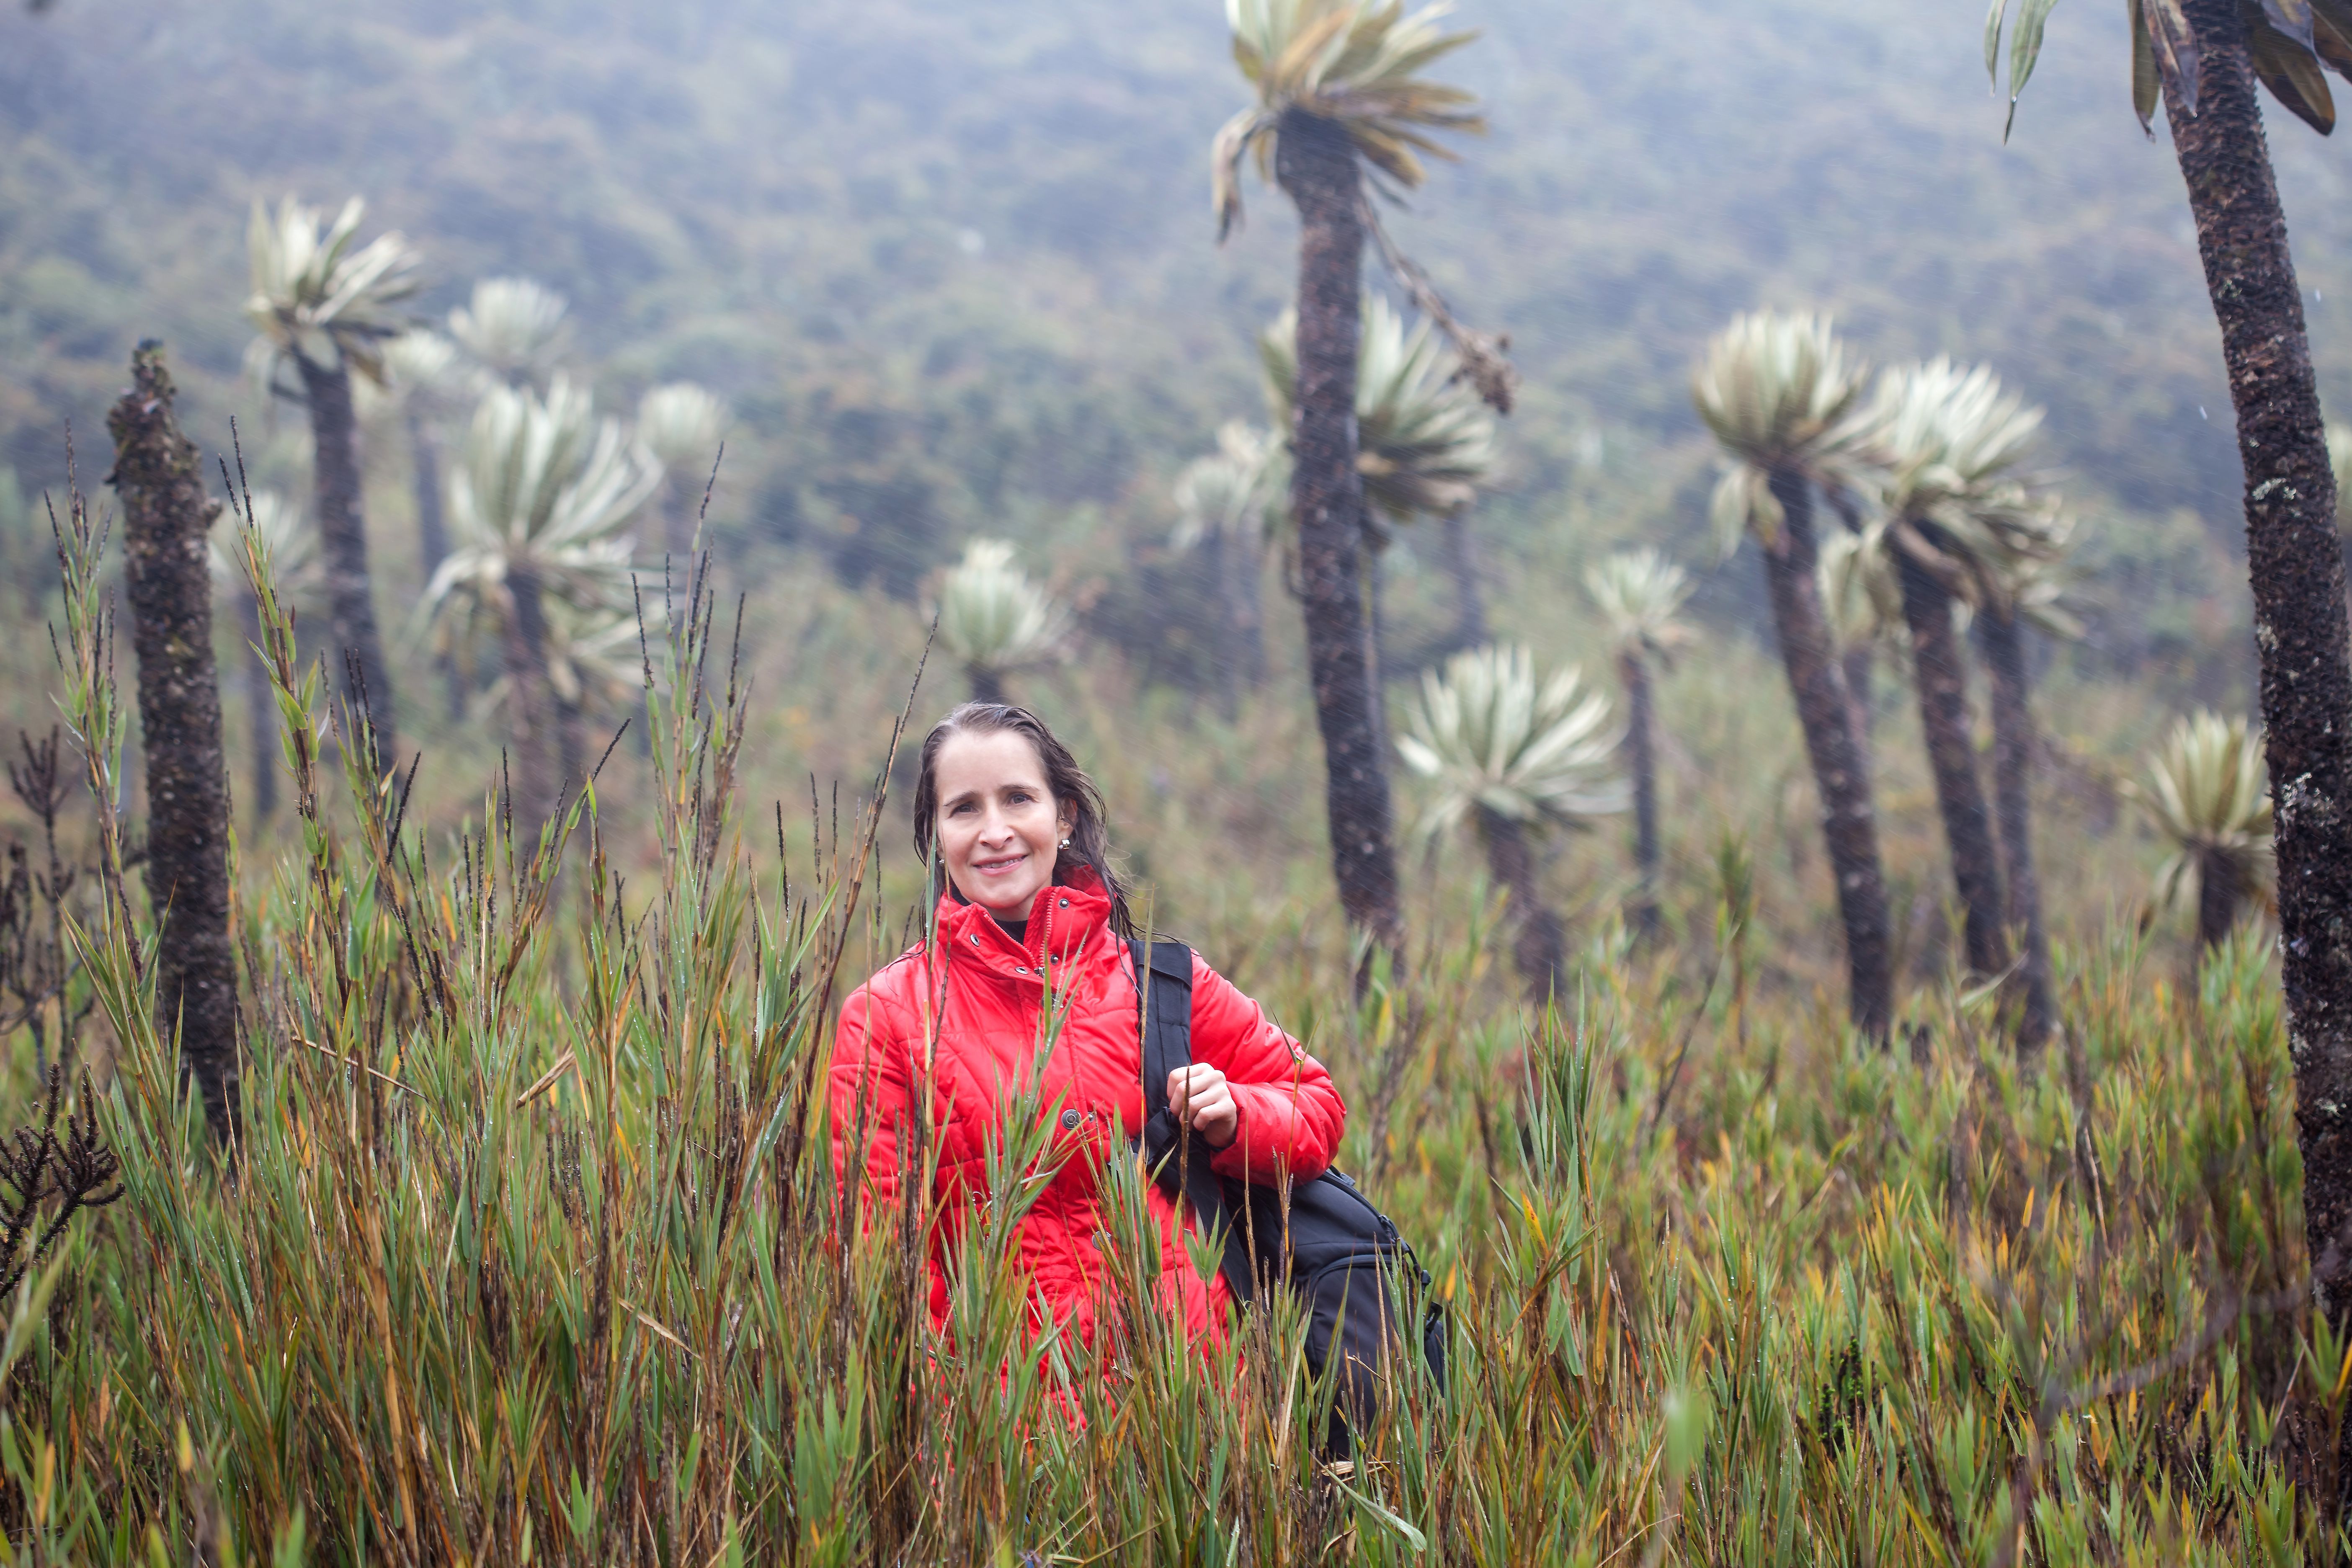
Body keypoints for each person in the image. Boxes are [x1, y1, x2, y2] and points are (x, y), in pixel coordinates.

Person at [829, 701, 1345, 1351]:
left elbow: (1316, 1107)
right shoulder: (887, 1016)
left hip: (1195, 1411)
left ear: (1063, 815)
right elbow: (875, 1263)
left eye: (1018, 799)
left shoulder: (1160, 983)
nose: (995, 831)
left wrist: (1236, 1114)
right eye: (964, 808)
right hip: (1012, 1428)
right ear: (935, 832)